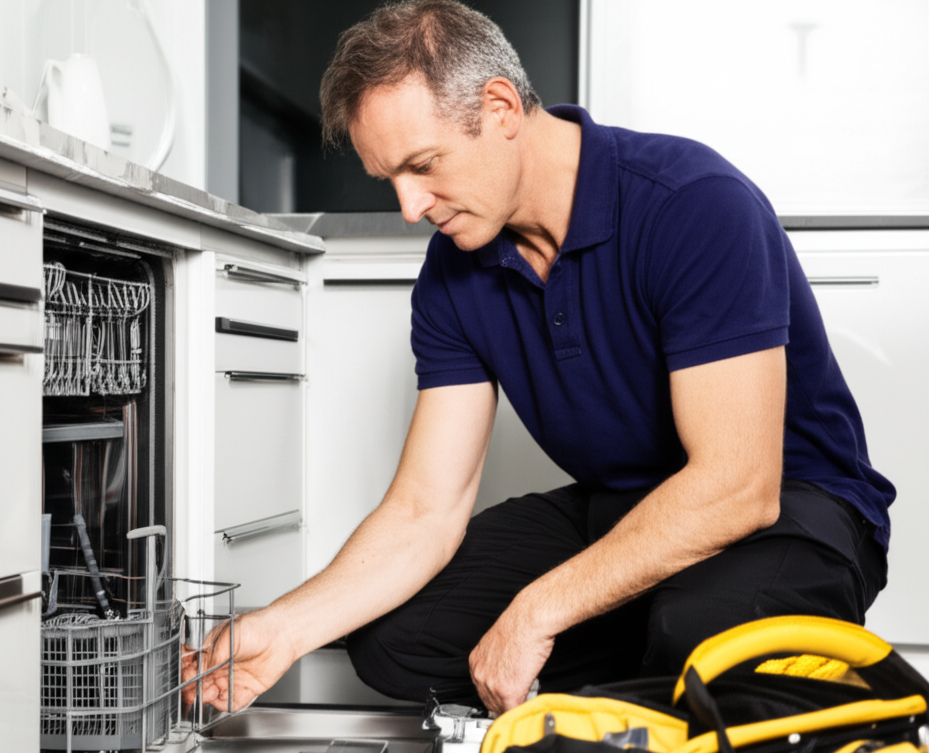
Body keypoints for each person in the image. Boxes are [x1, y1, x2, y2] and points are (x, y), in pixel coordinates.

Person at [184, 0, 893, 716]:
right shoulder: (454, 273)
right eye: (388, 179)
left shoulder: (692, 204)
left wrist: (539, 611)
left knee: (699, 633)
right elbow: (426, 508)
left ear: (499, 108)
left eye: (422, 166)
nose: (408, 205)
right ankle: (652, 680)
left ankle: (687, 674)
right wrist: (280, 630)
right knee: (396, 640)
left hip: (793, 508)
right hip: (626, 505)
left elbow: (738, 486)